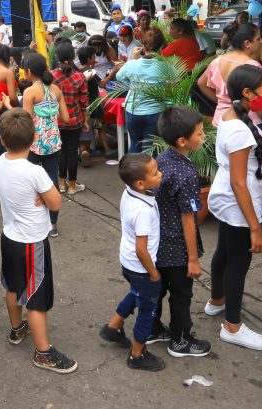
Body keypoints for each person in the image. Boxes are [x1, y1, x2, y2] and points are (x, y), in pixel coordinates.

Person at [205, 65, 262, 351]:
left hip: (230, 199)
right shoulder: (240, 128)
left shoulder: (234, 116)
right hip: (239, 202)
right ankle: (233, 327)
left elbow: (246, 153)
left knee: (224, 252)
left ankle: (217, 301)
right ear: (248, 93)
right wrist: (255, 228)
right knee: (238, 264)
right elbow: (239, 182)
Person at [0, 108, 76, 373]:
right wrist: (43, 193)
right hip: (32, 242)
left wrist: (40, 194)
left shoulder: (1, 162)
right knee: (37, 297)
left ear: (2, 139)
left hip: (9, 237)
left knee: (13, 286)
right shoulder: (35, 172)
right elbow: (56, 202)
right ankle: (43, 352)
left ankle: (17, 329)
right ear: (34, 138)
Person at [148, 107, 212, 357]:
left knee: (157, 289)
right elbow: (188, 218)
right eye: (200, 133)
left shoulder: (161, 160)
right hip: (176, 246)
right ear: (182, 141)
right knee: (181, 293)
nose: (204, 136)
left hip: (157, 241)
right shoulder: (186, 173)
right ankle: (181, 339)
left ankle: (152, 328)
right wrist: (193, 259)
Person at [98, 153, 166, 371]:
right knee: (147, 310)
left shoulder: (130, 192)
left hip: (128, 263)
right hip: (141, 267)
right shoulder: (142, 210)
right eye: (155, 173)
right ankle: (137, 354)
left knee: (136, 292)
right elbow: (141, 250)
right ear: (140, 183)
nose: (160, 174)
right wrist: (153, 273)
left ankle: (113, 327)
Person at [22, 53, 70, 237]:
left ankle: (33, 219)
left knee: (30, 180)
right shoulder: (56, 90)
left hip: (34, 143)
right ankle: (53, 224)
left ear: (28, 71)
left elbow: (26, 121)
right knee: (52, 180)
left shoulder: (29, 92)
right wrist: (50, 113)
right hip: (53, 142)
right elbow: (65, 118)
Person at [198, 23, 262, 126]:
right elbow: (261, 100)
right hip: (248, 123)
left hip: (221, 120)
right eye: (258, 39)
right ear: (247, 43)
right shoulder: (253, 66)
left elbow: (201, 83)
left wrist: (222, 101)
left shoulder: (217, 61)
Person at [113, 28, 166, 153]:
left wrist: (132, 59)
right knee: (149, 149)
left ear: (143, 46)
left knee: (134, 145)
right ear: (161, 47)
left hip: (132, 111)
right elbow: (174, 82)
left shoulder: (132, 64)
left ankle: (132, 167)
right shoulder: (165, 67)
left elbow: (119, 76)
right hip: (154, 112)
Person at [52, 43, 89, 194]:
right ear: (73, 57)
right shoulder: (80, 77)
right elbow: (84, 103)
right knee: (73, 152)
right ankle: (72, 186)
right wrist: (85, 120)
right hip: (75, 120)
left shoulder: (51, 76)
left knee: (61, 152)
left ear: (57, 57)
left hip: (57, 120)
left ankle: (61, 184)